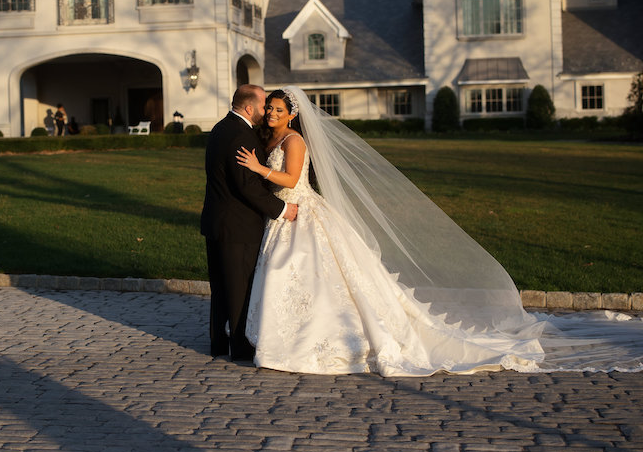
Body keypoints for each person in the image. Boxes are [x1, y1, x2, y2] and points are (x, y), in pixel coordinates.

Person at [236, 86, 643, 375]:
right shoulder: (271, 135)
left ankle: (321, 343)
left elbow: (291, 179)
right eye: (269, 108)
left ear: (292, 113)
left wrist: (257, 169)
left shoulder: (294, 141)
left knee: (321, 278)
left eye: (278, 109)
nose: (272, 114)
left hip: (300, 210)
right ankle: (287, 341)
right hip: (286, 217)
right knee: (300, 280)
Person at [201, 84, 298, 362]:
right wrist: (281, 209)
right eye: (264, 104)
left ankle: (218, 343)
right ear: (249, 107)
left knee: (220, 288)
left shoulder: (221, 128)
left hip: (217, 222)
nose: (266, 110)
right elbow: (247, 187)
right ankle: (241, 348)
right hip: (238, 227)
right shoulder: (241, 135)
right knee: (239, 288)